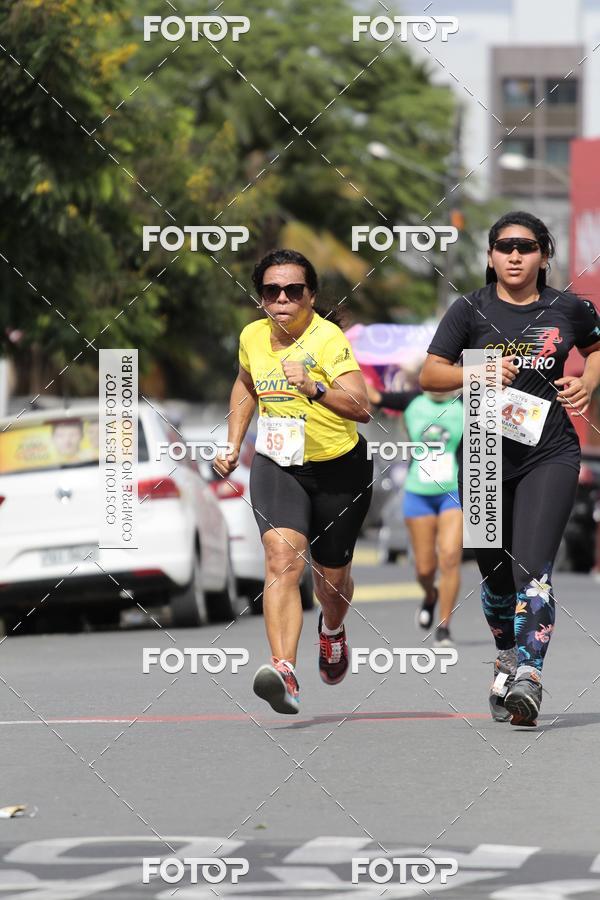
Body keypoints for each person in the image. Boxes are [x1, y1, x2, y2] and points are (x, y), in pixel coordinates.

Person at [420, 210, 600, 727]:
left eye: (525, 246)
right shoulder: (469, 309)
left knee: (532, 571)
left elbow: (596, 347)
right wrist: (476, 370)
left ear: (544, 254)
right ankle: (505, 652)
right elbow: (430, 374)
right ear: (491, 255)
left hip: (550, 453)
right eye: (504, 246)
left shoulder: (569, 308)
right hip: (482, 455)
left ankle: (529, 674)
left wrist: (588, 380)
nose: (514, 255)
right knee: (496, 576)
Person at [214, 249, 373, 715]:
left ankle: (332, 630)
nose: (282, 299)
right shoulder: (253, 336)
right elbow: (245, 383)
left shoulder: (328, 340)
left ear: (311, 295)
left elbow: (362, 407)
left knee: (331, 580)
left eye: (293, 290)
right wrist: (232, 442)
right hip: (278, 464)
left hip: (338, 469)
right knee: (282, 559)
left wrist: (315, 388)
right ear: (261, 297)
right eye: (271, 291)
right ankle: (283, 670)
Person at [368, 383, 463, 646]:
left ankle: (444, 627)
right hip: (418, 492)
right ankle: (430, 595)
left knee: (450, 557)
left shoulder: (466, 403)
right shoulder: (412, 400)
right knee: (424, 568)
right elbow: (374, 395)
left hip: (452, 492)